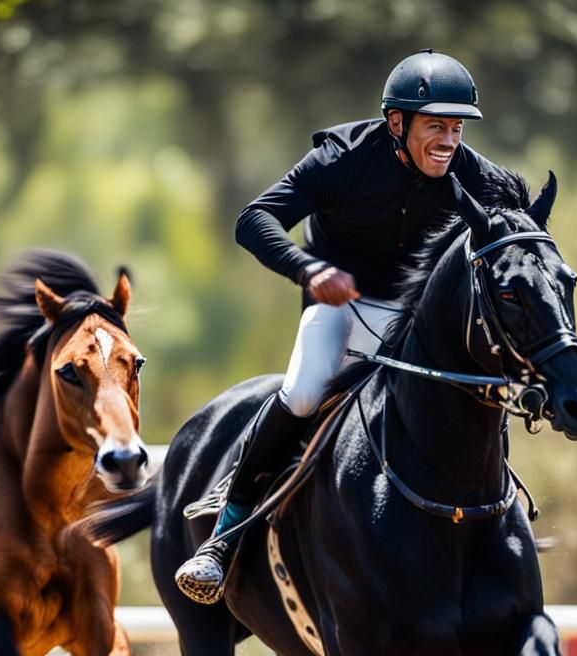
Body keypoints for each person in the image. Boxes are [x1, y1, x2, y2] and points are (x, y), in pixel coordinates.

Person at [175, 49, 508, 604]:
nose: (449, 141)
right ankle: (223, 537)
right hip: (339, 309)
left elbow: (520, 215)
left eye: (457, 127)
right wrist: (309, 268)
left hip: (415, 320)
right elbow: (252, 219)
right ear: (396, 122)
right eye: (436, 126)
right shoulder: (342, 159)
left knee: (474, 395)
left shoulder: (470, 172)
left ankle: (496, 525)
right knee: (303, 394)